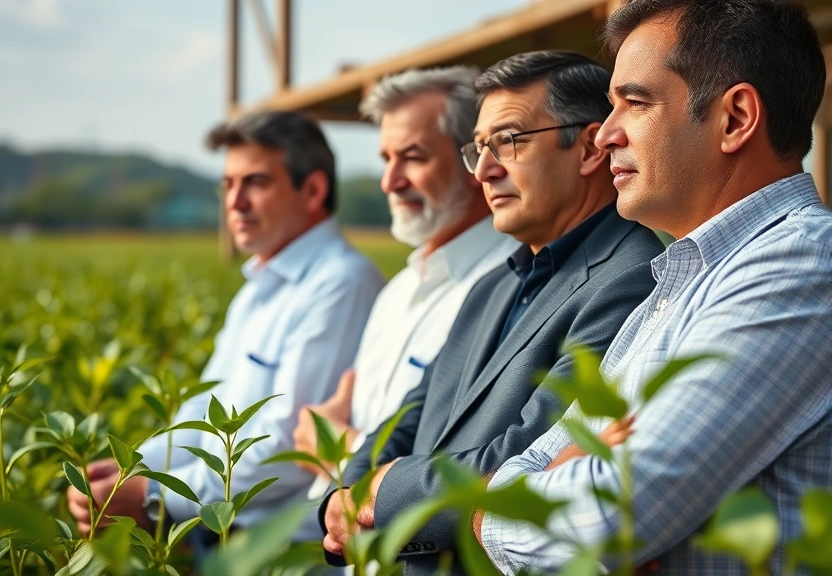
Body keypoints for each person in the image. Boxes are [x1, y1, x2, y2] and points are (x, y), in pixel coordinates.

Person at [479, 1, 832, 574]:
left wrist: (498, 509)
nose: (607, 134)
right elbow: (539, 464)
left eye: (635, 103)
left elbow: (607, 521)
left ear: (736, 118)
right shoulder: (680, 282)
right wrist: (558, 477)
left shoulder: (803, 265)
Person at [320, 50, 665, 575]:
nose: (484, 169)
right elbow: (410, 416)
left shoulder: (630, 276)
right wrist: (343, 493)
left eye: (507, 141)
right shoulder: (493, 284)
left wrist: (379, 491)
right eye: (479, 147)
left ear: (592, 148)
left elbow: (532, 458)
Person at [66, 111, 384, 543]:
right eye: (228, 185)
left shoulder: (341, 283)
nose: (234, 202)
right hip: (218, 526)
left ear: (313, 190)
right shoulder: (257, 288)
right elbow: (200, 410)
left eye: (255, 182)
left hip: (283, 552)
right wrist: (130, 472)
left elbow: (286, 446)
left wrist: (154, 496)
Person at [292, 66, 518, 483]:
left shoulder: (512, 287)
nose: (389, 182)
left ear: (477, 160)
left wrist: (339, 451)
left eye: (413, 157)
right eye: (386, 159)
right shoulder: (395, 292)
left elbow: (467, 471)